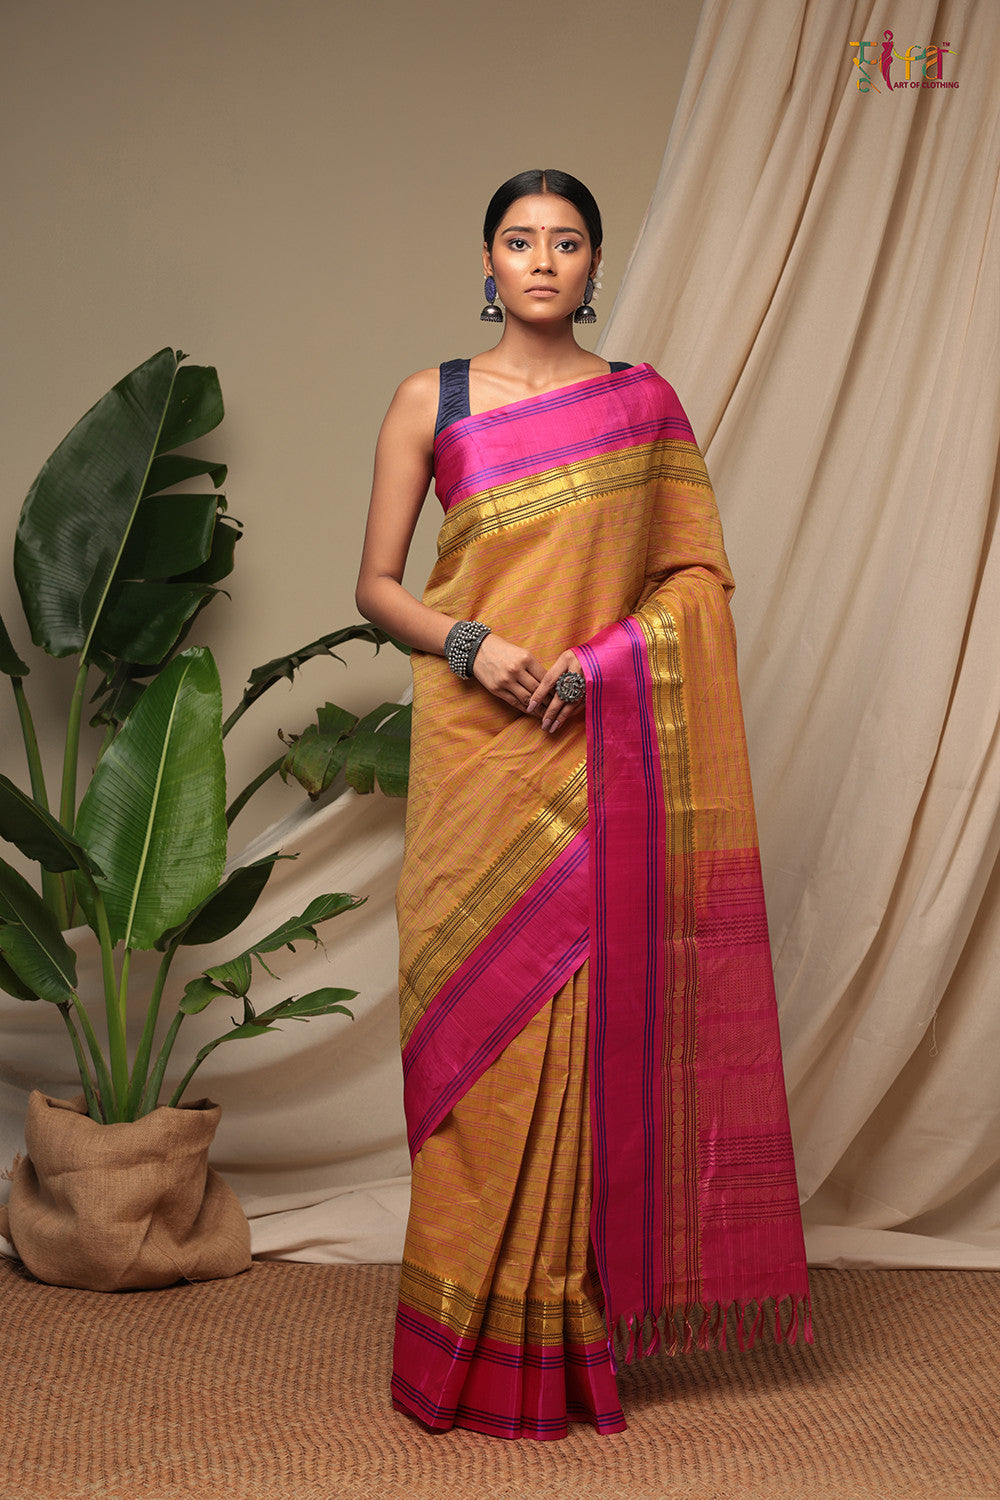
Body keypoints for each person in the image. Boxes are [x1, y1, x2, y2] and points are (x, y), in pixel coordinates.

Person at [356, 169, 809, 1442]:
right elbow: (376, 585)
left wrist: (600, 667)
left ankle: (556, 1337)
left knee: (575, 1038)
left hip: (591, 747)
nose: (542, 259)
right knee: (472, 1035)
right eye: (519, 240)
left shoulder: (641, 406)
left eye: (566, 241)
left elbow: (693, 580)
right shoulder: (430, 399)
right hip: (476, 753)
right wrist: (470, 646)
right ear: (486, 262)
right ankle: (455, 1343)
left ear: (595, 264)